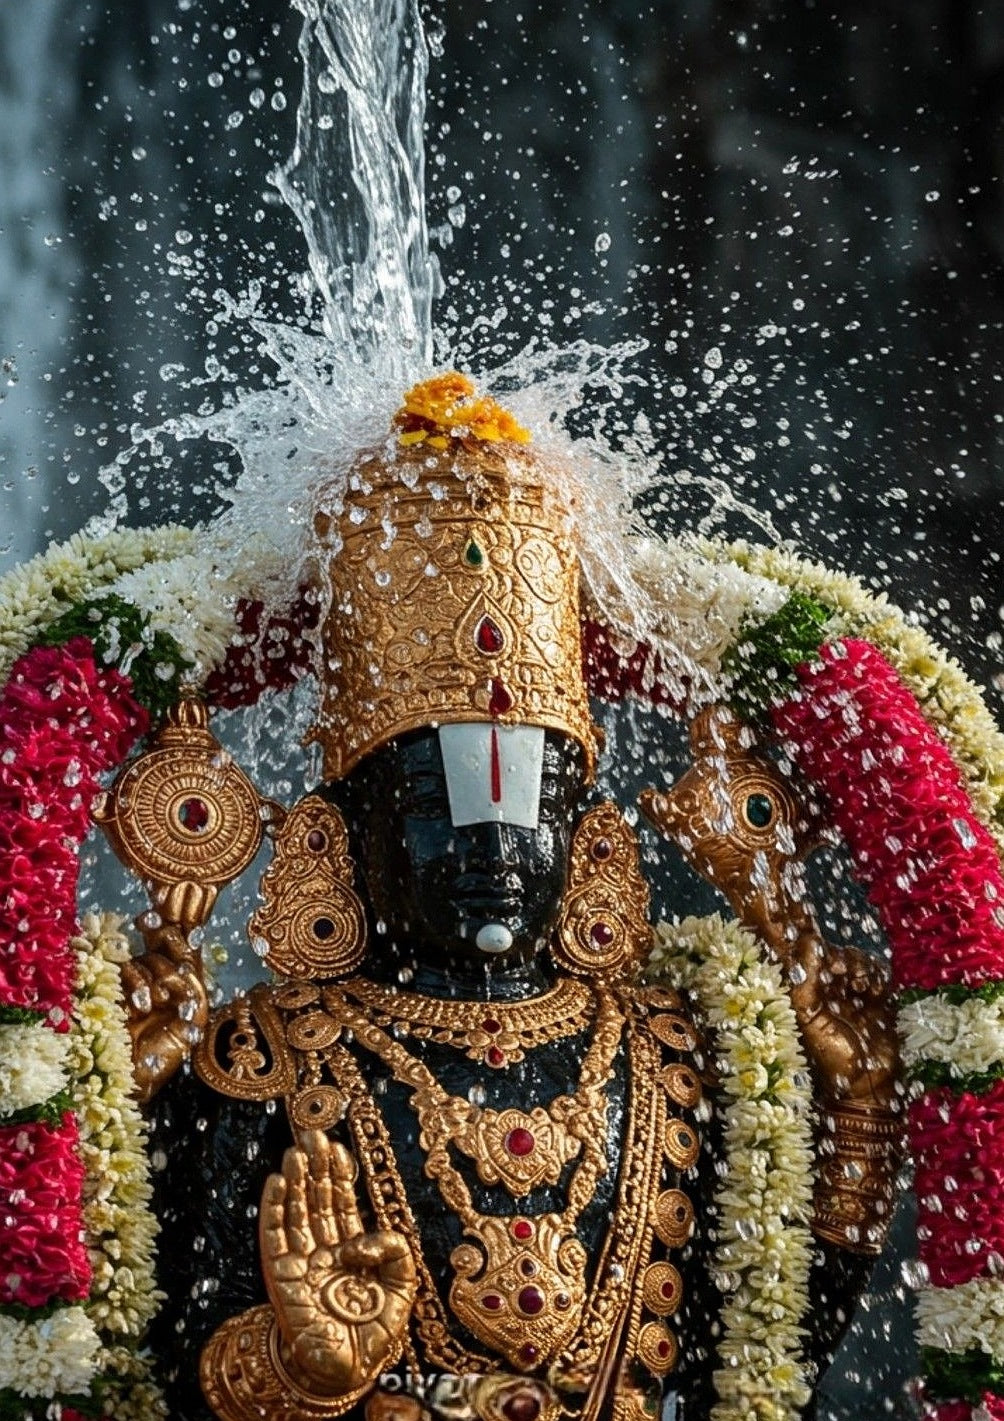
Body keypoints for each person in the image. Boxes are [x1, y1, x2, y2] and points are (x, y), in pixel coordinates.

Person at [108, 377, 902, 1421]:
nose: (495, 841)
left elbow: (758, 1355)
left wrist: (852, 1118)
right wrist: (300, 1368)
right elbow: (154, 1367)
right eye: (440, 802)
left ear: (587, 829)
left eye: (533, 799)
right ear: (344, 832)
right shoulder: (258, 1064)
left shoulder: (677, 1055)